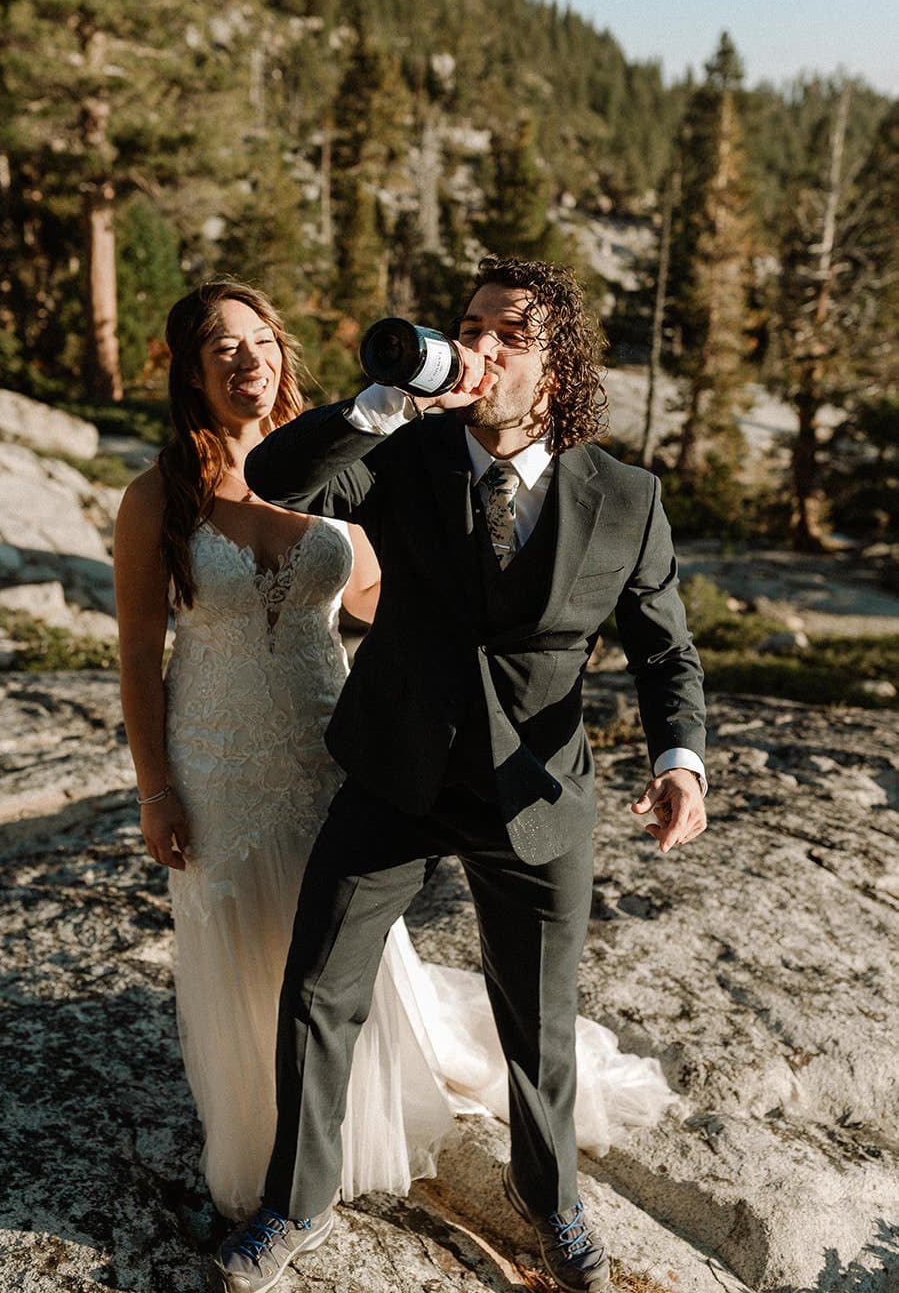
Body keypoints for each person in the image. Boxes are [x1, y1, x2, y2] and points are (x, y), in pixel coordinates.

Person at [114, 277, 678, 1231]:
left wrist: (679, 760)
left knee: (520, 1021)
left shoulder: (623, 495)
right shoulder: (395, 451)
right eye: (467, 329)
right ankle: (292, 1200)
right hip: (341, 761)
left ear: (559, 361)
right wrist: (388, 400)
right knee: (309, 986)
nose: (481, 348)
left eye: (510, 334)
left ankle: (551, 1204)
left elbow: (658, 645)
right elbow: (278, 481)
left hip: (476, 774)